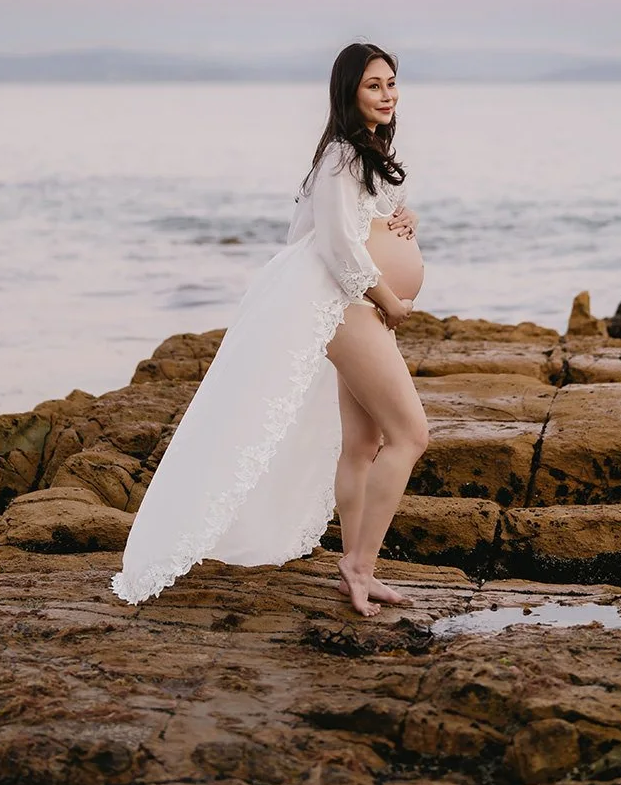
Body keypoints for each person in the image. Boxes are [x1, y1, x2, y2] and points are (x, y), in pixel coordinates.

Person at [111, 41, 428, 618]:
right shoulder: (340, 157)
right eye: (374, 85)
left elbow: (369, 225)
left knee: (363, 444)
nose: (388, 95)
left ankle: (355, 567)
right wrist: (391, 301)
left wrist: (406, 219)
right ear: (348, 92)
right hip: (347, 309)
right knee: (411, 435)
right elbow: (336, 247)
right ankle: (360, 567)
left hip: (360, 309)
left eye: (391, 83)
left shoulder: (368, 155)